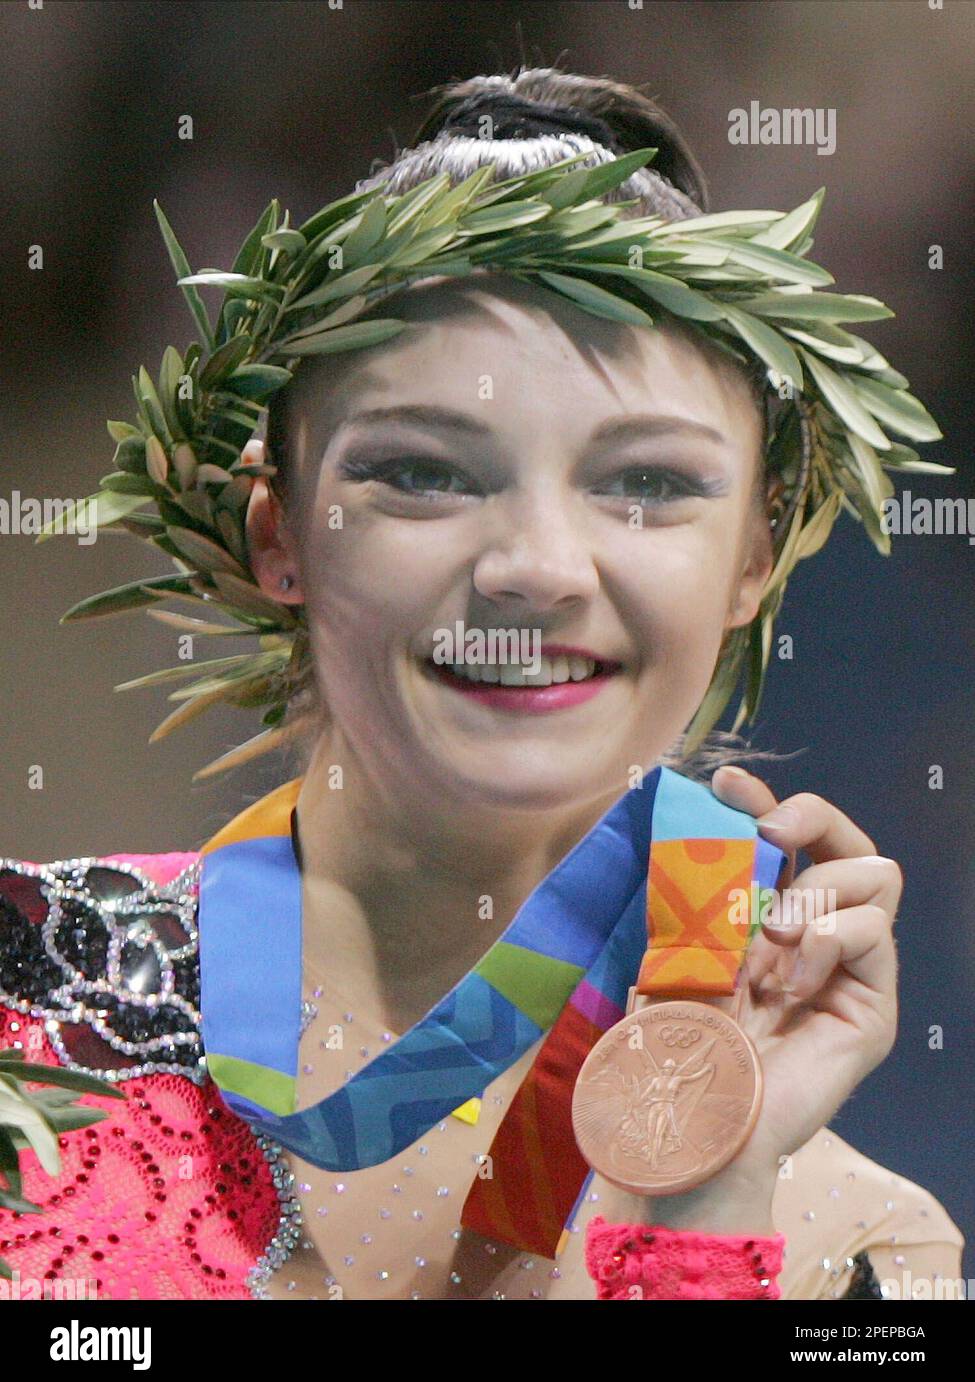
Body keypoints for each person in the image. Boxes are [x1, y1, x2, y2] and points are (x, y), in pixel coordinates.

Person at [0, 66, 963, 1301]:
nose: (537, 570)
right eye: (426, 474)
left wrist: (710, 1200)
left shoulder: (864, 1246)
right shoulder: (25, 996)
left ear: (755, 562)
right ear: (277, 530)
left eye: (650, 483)